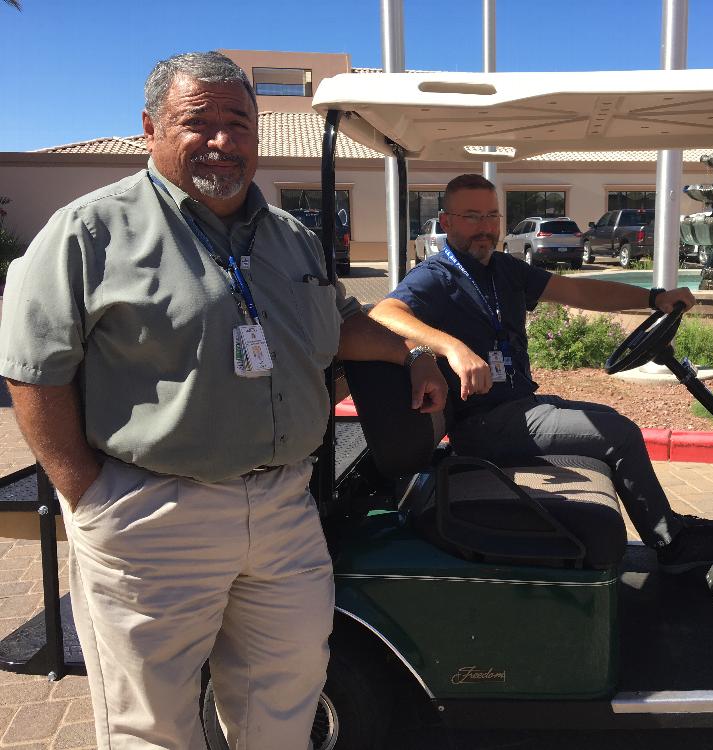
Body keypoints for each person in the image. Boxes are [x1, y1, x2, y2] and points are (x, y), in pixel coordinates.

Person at [0, 51, 446, 749]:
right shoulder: (89, 232)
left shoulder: (291, 237)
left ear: (258, 131)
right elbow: (33, 370)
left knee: (285, 704)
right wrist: (88, 497)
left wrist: (415, 352)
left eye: (237, 122)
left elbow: (336, 325)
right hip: (151, 514)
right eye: (196, 122)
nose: (221, 139)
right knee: (151, 723)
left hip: (283, 513)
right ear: (150, 128)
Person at [370, 174, 713, 573]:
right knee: (622, 435)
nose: (486, 227)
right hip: (485, 424)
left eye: (492, 216)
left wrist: (653, 298)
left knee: (610, 420)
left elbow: (578, 292)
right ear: (447, 221)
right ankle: (672, 544)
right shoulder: (436, 276)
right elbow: (384, 313)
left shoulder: (503, 270)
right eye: (472, 217)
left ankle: (670, 531)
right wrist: (453, 348)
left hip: (518, 408)